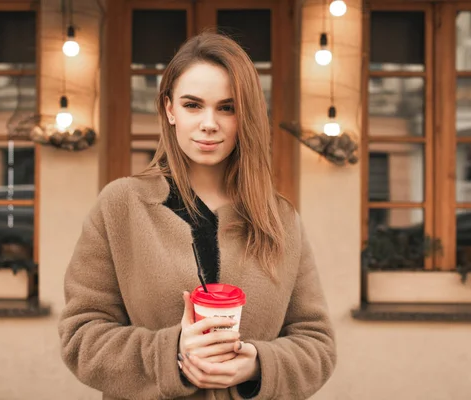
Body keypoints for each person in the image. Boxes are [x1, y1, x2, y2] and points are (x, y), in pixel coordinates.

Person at [58, 31, 336, 400]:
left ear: (245, 116)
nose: (209, 123)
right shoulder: (121, 206)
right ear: (169, 109)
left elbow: (317, 343)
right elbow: (81, 338)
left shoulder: (279, 217)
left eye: (227, 107)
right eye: (193, 105)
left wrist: (258, 365)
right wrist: (172, 352)